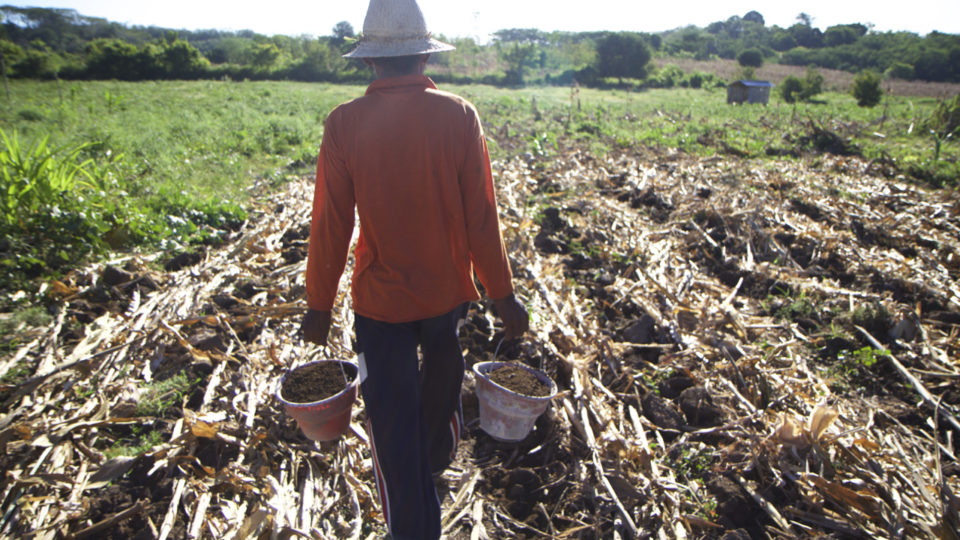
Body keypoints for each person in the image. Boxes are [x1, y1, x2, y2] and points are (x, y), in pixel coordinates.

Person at [298, 0, 528, 537]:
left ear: (369, 63)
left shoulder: (344, 124)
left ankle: (414, 518)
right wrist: (501, 293)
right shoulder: (458, 115)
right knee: (442, 375)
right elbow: (482, 216)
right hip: (447, 294)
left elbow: (330, 225)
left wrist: (317, 305)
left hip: (380, 305)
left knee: (390, 417)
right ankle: (435, 454)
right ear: (424, 57)